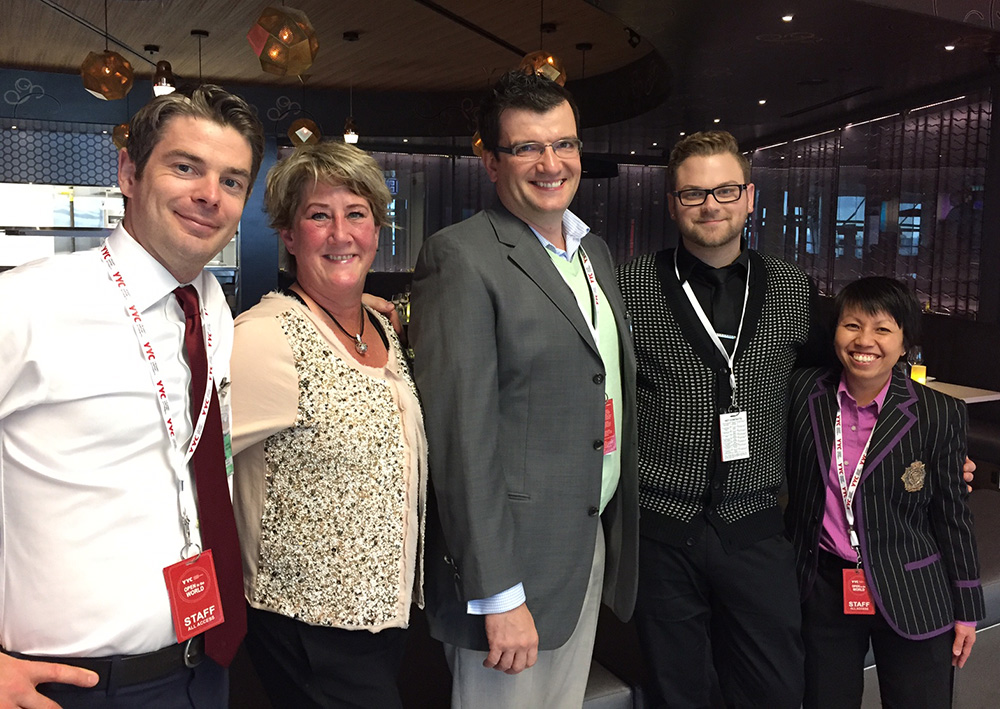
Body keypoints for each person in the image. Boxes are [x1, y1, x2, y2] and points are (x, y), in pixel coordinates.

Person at [0, 84, 265, 708]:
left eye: (233, 181)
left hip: (202, 670)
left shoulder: (211, 307)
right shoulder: (29, 305)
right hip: (72, 686)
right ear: (128, 172)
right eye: (185, 168)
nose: (209, 195)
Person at [409, 69, 638, 708]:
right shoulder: (460, 257)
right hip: (512, 566)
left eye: (564, 144)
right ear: (490, 160)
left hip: (582, 538)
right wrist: (498, 593)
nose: (551, 163)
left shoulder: (593, 254)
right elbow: (462, 439)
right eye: (526, 148)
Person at [617, 130, 817, 707]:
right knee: (677, 692)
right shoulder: (628, 286)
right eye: (694, 193)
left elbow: (859, 361)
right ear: (672, 203)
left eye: (726, 190)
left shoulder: (791, 287)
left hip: (755, 525)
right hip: (662, 529)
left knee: (776, 689)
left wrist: (929, 440)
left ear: (750, 197)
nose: (711, 205)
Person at [229, 140, 426, 708]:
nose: (341, 234)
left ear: (377, 229)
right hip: (307, 623)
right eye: (319, 216)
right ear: (289, 236)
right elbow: (189, 469)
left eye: (356, 214)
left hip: (380, 617)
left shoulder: (379, 326)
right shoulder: (266, 337)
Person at [785, 276, 985, 708]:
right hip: (823, 590)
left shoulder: (938, 412)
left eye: (882, 329)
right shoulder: (802, 393)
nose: (864, 341)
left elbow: (953, 515)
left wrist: (967, 604)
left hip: (913, 586)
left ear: (904, 341)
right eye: (852, 325)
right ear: (834, 330)